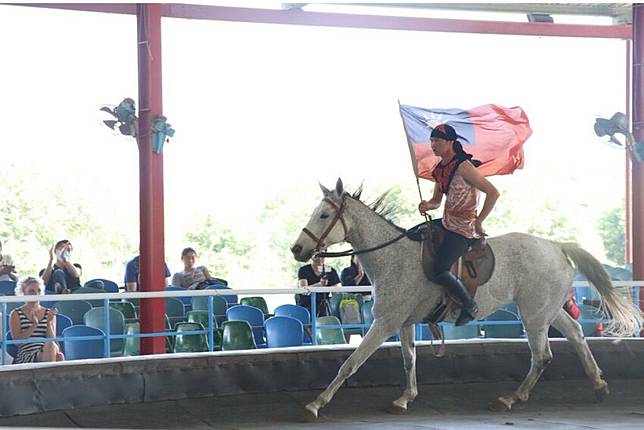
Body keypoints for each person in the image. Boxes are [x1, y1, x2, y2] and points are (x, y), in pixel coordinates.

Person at [418, 123, 500, 326]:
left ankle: (469, 305)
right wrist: (428, 205)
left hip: (464, 228)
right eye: (431, 140)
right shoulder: (440, 169)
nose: (433, 144)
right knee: (414, 236)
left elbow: (493, 192)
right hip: (447, 221)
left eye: (437, 140)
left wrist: (479, 221)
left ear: (450, 142)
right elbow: (436, 201)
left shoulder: (464, 167)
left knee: (439, 268)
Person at [9, 277, 64, 364]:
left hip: (46, 349)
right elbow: (17, 341)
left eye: (39, 290)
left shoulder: (48, 312)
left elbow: (51, 339)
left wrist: (49, 322)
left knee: (59, 355)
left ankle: (48, 371)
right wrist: (34, 325)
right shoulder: (16, 313)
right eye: (32, 291)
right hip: (27, 352)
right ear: (24, 292)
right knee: (53, 350)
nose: (36, 293)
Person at [296, 253, 340, 317]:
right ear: (311, 257)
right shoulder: (304, 270)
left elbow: (335, 293)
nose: (320, 259)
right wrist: (319, 284)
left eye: (322, 256)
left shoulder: (331, 271)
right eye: (317, 256)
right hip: (306, 305)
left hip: (324, 306)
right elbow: (303, 289)